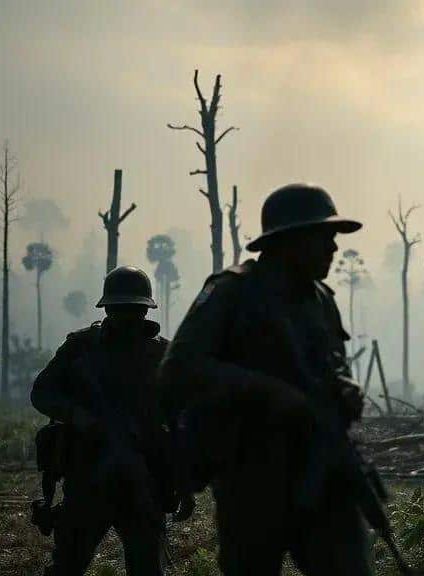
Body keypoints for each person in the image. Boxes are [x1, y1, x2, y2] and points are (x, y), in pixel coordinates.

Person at [158, 183, 372, 576]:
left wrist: (345, 387)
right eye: (323, 237)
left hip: (322, 468)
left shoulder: (321, 300)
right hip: (252, 478)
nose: (334, 249)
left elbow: (333, 368)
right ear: (289, 241)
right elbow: (179, 370)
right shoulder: (231, 292)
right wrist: (265, 391)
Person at [30, 266, 190, 576]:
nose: (128, 317)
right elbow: (42, 392)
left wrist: (184, 486)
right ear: (108, 310)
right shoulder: (81, 347)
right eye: (120, 309)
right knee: (67, 565)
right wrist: (78, 416)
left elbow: (181, 423)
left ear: (146, 310)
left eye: (134, 309)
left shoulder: (163, 356)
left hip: (144, 482)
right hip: (89, 479)